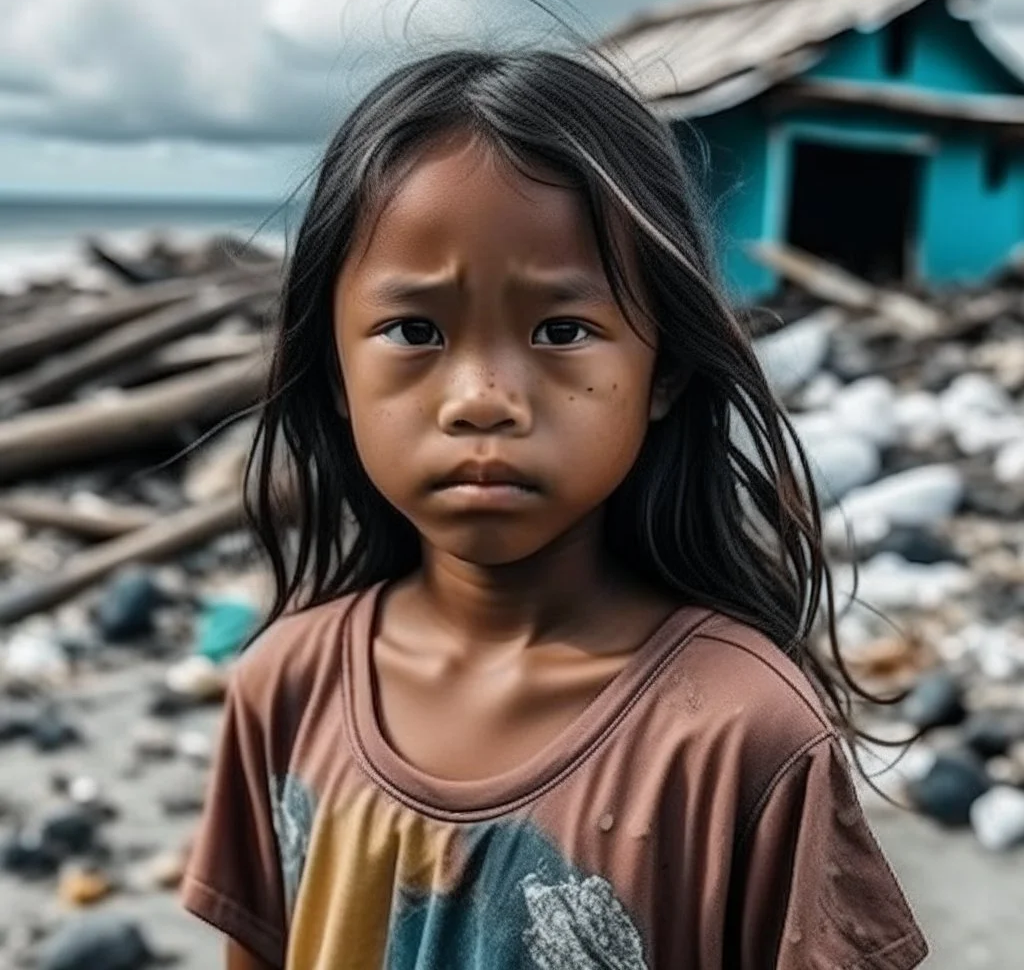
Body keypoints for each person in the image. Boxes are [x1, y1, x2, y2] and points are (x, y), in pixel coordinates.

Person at [180, 47, 928, 970]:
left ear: (663, 372)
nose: (484, 397)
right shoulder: (285, 686)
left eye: (562, 331)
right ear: (334, 369)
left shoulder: (742, 733)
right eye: (415, 331)